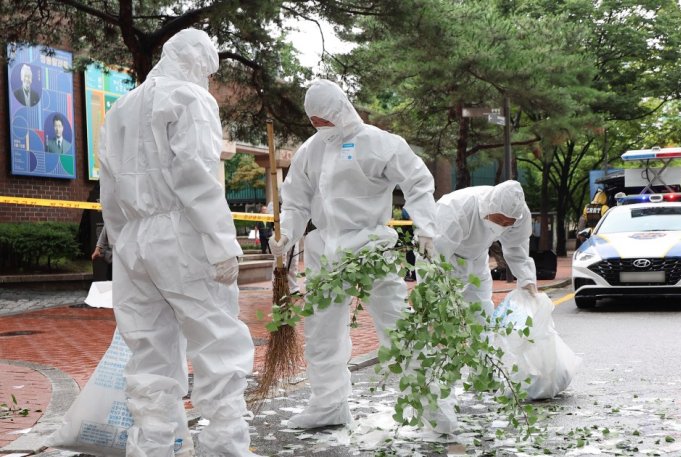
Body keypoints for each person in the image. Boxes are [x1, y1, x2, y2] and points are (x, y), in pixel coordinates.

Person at [98, 29, 259, 456]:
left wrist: (122, 244)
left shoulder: (120, 109)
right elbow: (197, 176)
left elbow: (109, 192)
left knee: (149, 349)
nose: (207, 77)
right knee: (217, 338)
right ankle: (225, 447)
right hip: (182, 232)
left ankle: (152, 447)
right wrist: (221, 241)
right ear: (193, 60)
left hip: (134, 239)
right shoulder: (190, 99)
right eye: (206, 68)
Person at [269, 79, 441, 430]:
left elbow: (417, 181)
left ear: (341, 110)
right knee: (321, 332)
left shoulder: (378, 143)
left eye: (326, 120)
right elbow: (296, 200)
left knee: (397, 325)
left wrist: (426, 227)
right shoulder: (310, 150)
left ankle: (431, 405)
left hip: (371, 249)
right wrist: (287, 234)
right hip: (325, 253)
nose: (320, 127)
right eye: (314, 121)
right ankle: (328, 405)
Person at [433, 180, 538, 320]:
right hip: (447, 260)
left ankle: (484, 340)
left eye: (508, 223)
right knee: (443, 316)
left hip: (478, 259)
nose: (503, 225)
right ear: (490, 208)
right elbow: (434, 256)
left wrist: (527, 280)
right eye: (500, 219)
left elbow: (516, 245)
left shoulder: (519, 213)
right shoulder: (455, 208)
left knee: (482, 316)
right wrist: (430, 300)